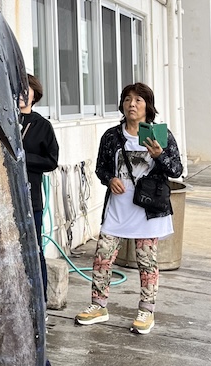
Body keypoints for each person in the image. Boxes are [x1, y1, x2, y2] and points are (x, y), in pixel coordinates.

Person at [74, 82, 182, 334]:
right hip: (118, 207)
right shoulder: (112, 136)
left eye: (138, 100)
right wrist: (109, 179)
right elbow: (101, 168)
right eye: (127, 99)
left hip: (148, 209)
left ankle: (146, 311)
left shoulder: (160, 135)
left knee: (147, 261)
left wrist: (158, 155)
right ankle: (98, 306)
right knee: (102, 256)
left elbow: (176, 170)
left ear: (148, 106)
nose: (132, 104)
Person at [19, 74, 59, 300]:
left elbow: (51, 161)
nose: (22, 94)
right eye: (17, 89)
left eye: (26, 89)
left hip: (31, 198)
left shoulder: (43, 126)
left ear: (35, 95)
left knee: (34, 250)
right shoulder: (4, 120)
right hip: (4, 200)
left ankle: (39, 301)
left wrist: (24, 158)